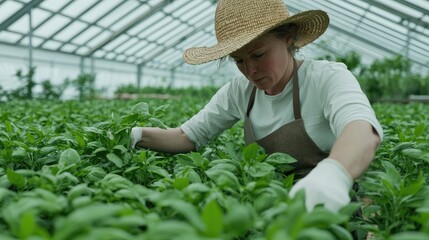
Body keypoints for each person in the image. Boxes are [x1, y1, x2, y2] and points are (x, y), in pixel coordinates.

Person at [130, 0, 382, 213]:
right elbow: (187, 136)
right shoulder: (240, 91)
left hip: (326, 210)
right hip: (266, 208)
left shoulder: (325, 78)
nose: (250, 70)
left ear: (287, 38)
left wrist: (333, 175)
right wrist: (133, 135)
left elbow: (361, 128)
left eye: (259, 55)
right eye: (239, 60)